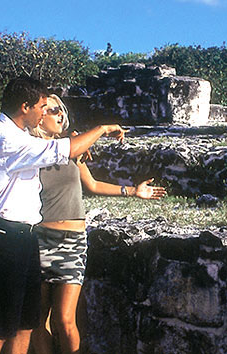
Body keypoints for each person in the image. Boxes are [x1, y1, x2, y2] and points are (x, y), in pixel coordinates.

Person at [0, 77, 126, 354]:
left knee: (24, 324)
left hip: (23, 236)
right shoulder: (6, 140)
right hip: (4, 235)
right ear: (25, 107)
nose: (45, 112)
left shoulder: (16, 137)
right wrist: (102, 129)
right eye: (43, 107)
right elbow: (63, 150)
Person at [29, 95, 166, 354]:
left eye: (61, 110)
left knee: (65, 320)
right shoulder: (28, 150)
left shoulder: (72, 148)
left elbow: (92, 185)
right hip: (38, 240)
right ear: (38, 116)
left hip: (72, 242)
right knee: (39, 321)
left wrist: (132, 192)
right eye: (52, 110)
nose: (60, 115)